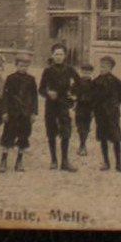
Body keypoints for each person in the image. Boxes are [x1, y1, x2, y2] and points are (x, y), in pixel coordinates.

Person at [38, 42, 80, 172]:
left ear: (65, 56)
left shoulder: (70, 70)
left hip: (64, 104)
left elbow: (79, 84)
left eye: (61, 54)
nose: (59, 57)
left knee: (66, 132)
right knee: (51, 132)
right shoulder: (48, 71)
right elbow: (41, 89)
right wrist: (48, 93)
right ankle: (53, 160)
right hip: (51, 104)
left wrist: (72, 94)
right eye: (56, 54)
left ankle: (65, 161)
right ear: (52, 55)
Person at [0, 51, 39, 172]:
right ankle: (3, 161)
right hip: (12, 113)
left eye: (26, 66)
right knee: (7, 136)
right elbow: (5, 97)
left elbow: (34, 97)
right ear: (16, 65)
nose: (23, 68)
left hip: (25, 113)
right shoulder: (10, 79)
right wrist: (4, 112)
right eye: (21, 65)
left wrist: (33, 113)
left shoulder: (31, 79)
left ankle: (19, 161)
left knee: (24, 137)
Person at [91, 55, 121, 172]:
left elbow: (120, 98)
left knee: (116, 138)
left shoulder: (116, 81)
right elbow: (94, 97)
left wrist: (113, 107)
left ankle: (118, 163)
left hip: (112, 113)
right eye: (101, 66)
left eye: (106, 66)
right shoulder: (95, 81)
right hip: (100, 113)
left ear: (111, 68)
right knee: (103, 138)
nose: (103, 68)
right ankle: (106, 162)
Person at [73, 63, 96, 156]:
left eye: (88, 72)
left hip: (89, 108)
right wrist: (74, 101)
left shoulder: (94, 84)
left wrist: (94, 110)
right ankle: (82, 144)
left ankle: (82, 145)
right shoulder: (77, 82)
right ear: (81, 72)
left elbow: (96, 97)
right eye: (84, 72)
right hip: (79, 107)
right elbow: (72, 93)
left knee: (86, 126)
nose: (86, 74)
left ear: (91, 73)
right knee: (79, 126)